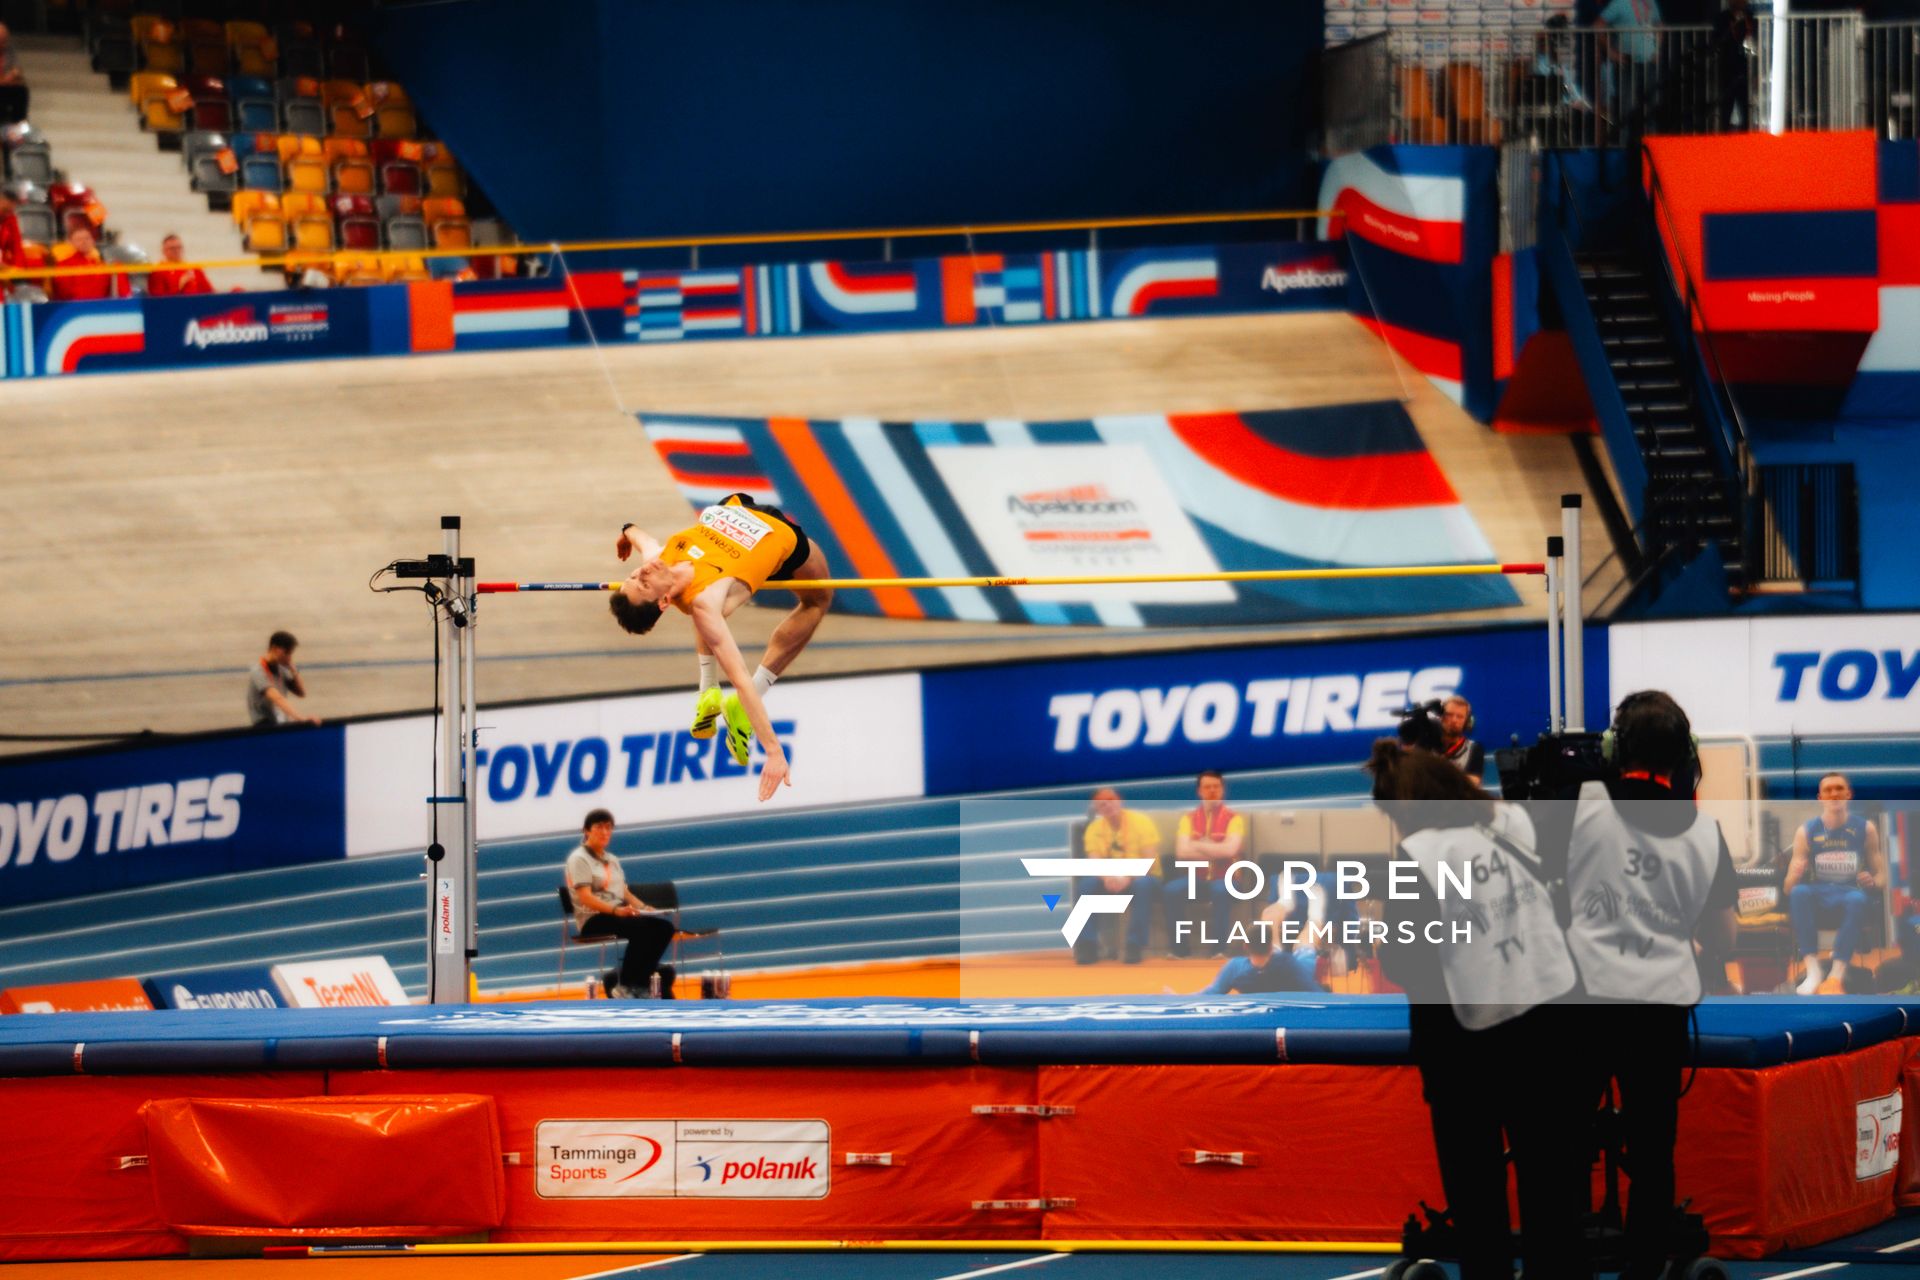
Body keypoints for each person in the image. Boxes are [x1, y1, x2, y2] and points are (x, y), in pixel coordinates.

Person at [1372, 739, 1588, 1280]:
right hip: (1551, 1015)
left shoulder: (1418, 855)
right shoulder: (1513, 822)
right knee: (1550, 1177)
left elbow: (1406, 961)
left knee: (1476, 1185)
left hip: (1466, 1041)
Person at [1553, 690, 1737, 1280]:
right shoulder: (1707, 834)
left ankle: (1566, 1263)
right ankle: (1643, 1270)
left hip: (1581, 1003)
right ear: (1682, 755)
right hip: (1659, 1007)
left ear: (1614, 746)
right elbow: (1725, 938)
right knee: (1653, 1152)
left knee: (1565, 1144)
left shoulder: (1578, 805)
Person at [610, 492, 832, 803]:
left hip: (735, 508)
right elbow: (740, 678)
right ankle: (723, 697)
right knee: (818, 599)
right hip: (779, 538)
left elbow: (640, 538)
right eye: (643, 583)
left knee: (709, 616)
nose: (642, 572)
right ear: (663, 601)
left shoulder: (657, 562)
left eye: (633, 575)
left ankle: (707, 690)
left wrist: (625, 531)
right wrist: (773, 751)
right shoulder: (705, 601)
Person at [1786, 771, 1886, 995]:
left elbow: (1882, 877)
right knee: (1799, 893)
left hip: (1850, 894)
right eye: (1828, 790)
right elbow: (1788, 887)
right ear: (1819, 797)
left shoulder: (1866, 828)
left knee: (1858, 898)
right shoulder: (1806, 831)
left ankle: (1835, 976)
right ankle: (1813, 971)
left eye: (1839, 788)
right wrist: (1794, 874)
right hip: (1818, 894)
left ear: (1849, 794)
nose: (1834, 794)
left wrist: (1872, 880)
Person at [564, 808, 677, 998]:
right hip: (593, 918)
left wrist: (644, 908)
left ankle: (639, 983)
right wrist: (616, 911)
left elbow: (624, 891)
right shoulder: (578, 859)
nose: (605, 832)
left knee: (664, 928)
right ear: (586, 831)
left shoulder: (612, 860)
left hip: (617, 914)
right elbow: (586, 897)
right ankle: (626, 984)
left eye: (609, 827)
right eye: (599, 827)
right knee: (641, 929)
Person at [1162, 770, 1246, 956]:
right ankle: (1180, 951)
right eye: (1207, 787)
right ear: (1199, 791)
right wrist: (1215, 850)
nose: (1212, 791)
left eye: (1216, 787)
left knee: (1220, 890)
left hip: (1227, 879)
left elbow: (1230, 850)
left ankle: (1219, 950)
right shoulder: (1188, 819)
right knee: (1171, 891)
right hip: (1197, 879)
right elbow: (1182, 852)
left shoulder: (1234, 818)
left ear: (1222, 790)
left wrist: (1195, 845)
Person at [1081, 787, 1163, 964]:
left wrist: (1126, 878)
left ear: (1120, 800)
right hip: (1111, 878)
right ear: (1097, 809)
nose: (1108, 805)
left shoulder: (1141, 822)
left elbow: (1149, 861)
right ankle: (1088, 945)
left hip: (1143, 876)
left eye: (1111, 800)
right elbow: (1095, 863)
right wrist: (1107, 878)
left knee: (1143, 885)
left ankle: (1134, 945)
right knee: (1086, 884)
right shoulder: (1093, 830)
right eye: (1102, 804)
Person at [1199, 935, 1323, 995]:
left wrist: (1181, 999)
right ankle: (1314, 915)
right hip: (1299, 968)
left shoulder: (1235, 968)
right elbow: (1316, 993)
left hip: (1284, 966)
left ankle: (1285, 903)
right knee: (1305, 941)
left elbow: (1213, 992)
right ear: (1271, 948)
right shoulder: (1289, 964)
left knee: (1269, 918)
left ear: (1245, 947)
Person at [247, 630, 320, 727]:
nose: (289, 657)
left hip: (280, 722)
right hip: (263, 724)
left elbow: (301, 693)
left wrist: (293, 670)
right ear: (274, 648)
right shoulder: (258, 671)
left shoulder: (282, 670)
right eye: (286, 653)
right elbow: (277, 698)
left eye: (290, 654)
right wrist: (300, 718)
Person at [49, 226, 128, 302]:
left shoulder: (105, 265)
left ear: (93, 241)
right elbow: (64, 294)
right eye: (79, 239)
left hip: (103, 308)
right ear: (70, 242)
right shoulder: (63, 265)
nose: (84, 242)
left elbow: (122, 293)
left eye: (87, 238)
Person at [147, 234, 214, 296]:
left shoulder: (194, 269)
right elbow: (157, 300)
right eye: (172, 248)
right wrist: (179, 286)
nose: (176, 251)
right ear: (163, 251)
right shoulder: (158, 272)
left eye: (179, 247)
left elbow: (209, 292)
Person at [1439, 695, 1485, 785]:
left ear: (1467, 722)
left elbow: (1475, 781)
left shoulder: (1474, 748)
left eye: (1460, 716)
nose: (1454, 720)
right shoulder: (1427, 745)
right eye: (1449, 715)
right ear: (1441, 717)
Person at [0, 24, 27, 125]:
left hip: (5, 86)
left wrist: (12, 75)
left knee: (20, 90)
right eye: (1, 41)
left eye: (5, 40)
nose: (4, 44)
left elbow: (16, 70)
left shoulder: (9, 51)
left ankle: (19, 125)